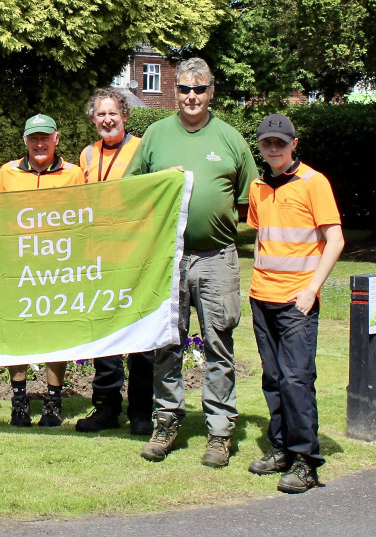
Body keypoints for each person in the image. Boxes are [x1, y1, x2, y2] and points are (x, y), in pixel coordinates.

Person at [124, 58, 259, 467]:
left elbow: (249, 201)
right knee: (168, 344)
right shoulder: (155, 135)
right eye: (184, 89)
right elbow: (131, 189)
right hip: (169, 259)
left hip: (217, 258)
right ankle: (166, 422)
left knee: (219, 343)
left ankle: (219, 431)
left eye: (199, 89)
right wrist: (160, 179)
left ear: (212, 91)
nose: (192, 97)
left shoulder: (231, 138)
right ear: (174, 91)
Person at [246, 113, 344, 493]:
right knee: (273, 379)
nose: (273, 149)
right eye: (267, 143)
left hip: (296, 301)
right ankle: (281, 449)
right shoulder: (258, 185)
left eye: (280, 143)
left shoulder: (314, 183)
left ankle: (306, 461)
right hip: (262, 296)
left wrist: (311, 289)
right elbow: (260, 237)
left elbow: (334, 240)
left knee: (297, 380)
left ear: (294, 144)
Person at [0, 113, 85, 427]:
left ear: (56, 139)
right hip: (17, 268)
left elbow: (83, 219)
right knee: (16, 332)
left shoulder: (74, 174)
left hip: (57, 268)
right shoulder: (7, 172)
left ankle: (52, 402)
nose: (39, 143)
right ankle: (19, 401)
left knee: (56, 333)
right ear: (25, 142)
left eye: (45, 137)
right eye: (33, 138)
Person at [74, 88, 154, 436]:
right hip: (98, 259)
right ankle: (106, 408)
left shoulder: (142, 147)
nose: (107, 120)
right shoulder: (87, 155)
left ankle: (140, 411)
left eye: (113, 114)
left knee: (139, 335)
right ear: (93, 119)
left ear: (125, 116)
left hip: (135, 256)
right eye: (101, 114)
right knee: (104, 334)